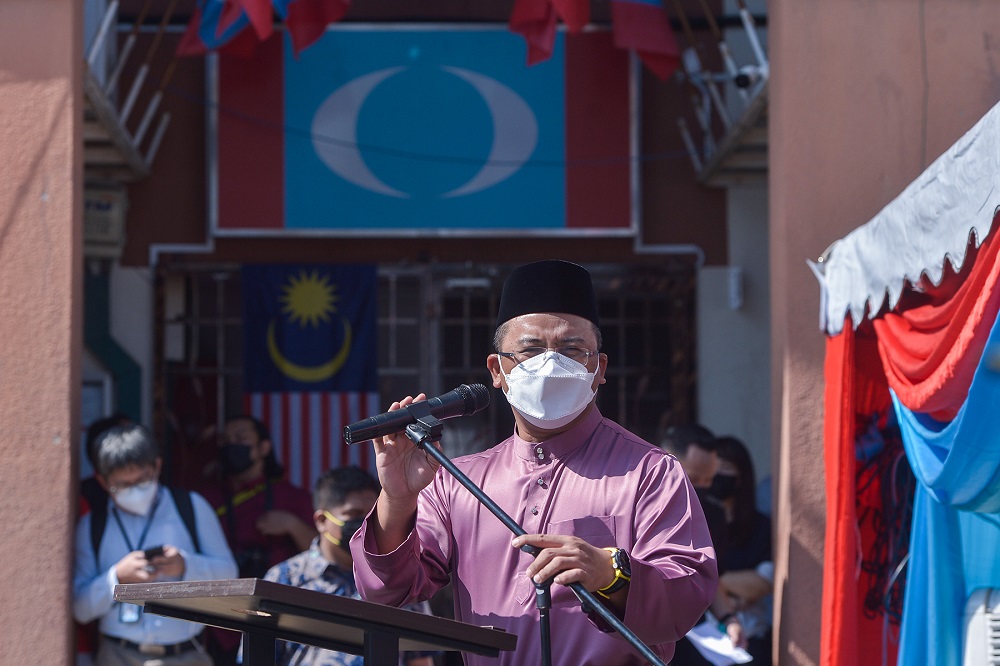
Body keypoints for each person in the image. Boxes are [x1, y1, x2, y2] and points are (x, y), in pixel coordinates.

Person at [351, 259, 718, 665]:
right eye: (530, 350)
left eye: (572, 350)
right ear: (497, 370)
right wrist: (397, 499)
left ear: (599, 369)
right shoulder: (457, 479)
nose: (550, 363)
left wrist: (610, 572)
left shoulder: (650, 471)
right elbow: (387, 591)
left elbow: (686, 597)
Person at [73, 424, 238, 666]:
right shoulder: (92, 526)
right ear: (102, 481)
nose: (135, 490)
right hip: (118, 655)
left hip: (186, 654)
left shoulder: (191, 508)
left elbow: (231, 577)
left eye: (142, 480)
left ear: (157, 466)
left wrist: (186, 565)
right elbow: (80, 608)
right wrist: (117, 577)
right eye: (123, 485)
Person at [256, 466, 436, 666]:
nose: (365, 524)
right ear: (322, 521)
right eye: (354, 514)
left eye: (372, 515)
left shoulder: (400, 578)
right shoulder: (286, 579)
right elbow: (258, 654)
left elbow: (419, 658)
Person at [201, 415, 317, 665]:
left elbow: (322, 553)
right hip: (221, 620)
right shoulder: (205, 499)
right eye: (227, 441)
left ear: (263, 447)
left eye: (241, 438)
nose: (232, 445)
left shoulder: (291, 497)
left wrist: (292, 525)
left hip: (279, 617)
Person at [658, 425, 746, 664]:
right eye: (695, 479)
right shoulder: (639, 507)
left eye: (710, 479)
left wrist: (730, 619)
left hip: (695, 636)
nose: (703, 488)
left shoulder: (713, 514)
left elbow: (710, 576)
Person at [711, 435, 774, 664]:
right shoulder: (696, 522)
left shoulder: (760, 527)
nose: (718, 473)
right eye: (714, 466)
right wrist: (733, 593)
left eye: (726, 467)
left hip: (750, 640)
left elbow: (762, 583)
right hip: (705, 644)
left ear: (741, 476)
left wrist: (711, 584)